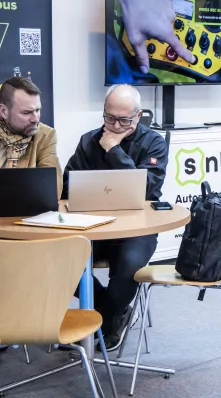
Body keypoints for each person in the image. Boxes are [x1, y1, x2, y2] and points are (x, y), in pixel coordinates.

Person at [62, 84, 169, 351]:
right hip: (93, 227)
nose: (116, 126)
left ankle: (103, 322)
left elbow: (146, 189)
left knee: (130, 265)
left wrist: (113, 150)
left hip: (138, 229)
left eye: (124, 120)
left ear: (138, 116)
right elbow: (68, 187)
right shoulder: (88, 141)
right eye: (109, 118)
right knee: (60, 261)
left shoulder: (154, 143)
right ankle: (113, 313)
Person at [0, 76, 63, 353]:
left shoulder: (45, 135)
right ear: (3, 111)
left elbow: (53, 187)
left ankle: (108, 309)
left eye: (38, 110)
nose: (35, 118)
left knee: (66, 257)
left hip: (32, 228)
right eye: (26, 112)